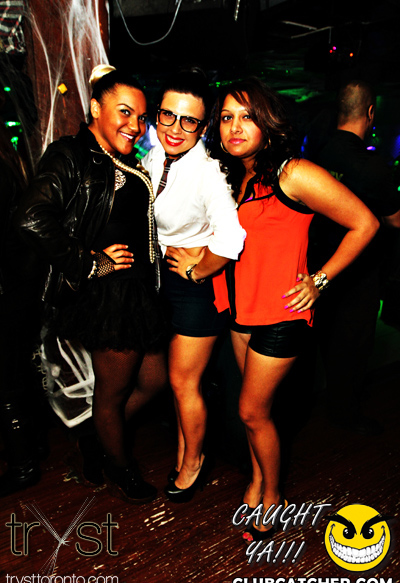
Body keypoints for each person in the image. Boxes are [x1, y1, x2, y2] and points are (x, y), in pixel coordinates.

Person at [204, 76, 379, 541]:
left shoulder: (293, 173)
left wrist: (320, 280)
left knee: (251, 412)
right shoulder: (235, 177)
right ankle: (258, 480)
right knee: (254, 412)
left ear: (267, 122)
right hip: (241, 312)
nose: (235, 127)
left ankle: (272, 495)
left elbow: (365, 223)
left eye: (247, 117)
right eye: (226, 117)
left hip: (282, 315)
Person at [17, 65, 167, 504]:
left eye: (141, 116)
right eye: (124, 112)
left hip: (139, 291)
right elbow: (31, 217)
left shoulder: (123, 158)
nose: (135, 125)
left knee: (154, 382)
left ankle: (95, 435)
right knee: (112, 393)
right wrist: (88, 262)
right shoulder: (72, 153)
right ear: (96, 109)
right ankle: (119, 466)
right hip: (110, 295)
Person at [141, 68, 246, 502]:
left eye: (189, 121)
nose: (175, 128)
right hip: (162, 281)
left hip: (196, 291)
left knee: (184, 382)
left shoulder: (208, 172)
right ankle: (186, 450)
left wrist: (197, 271)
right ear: (157, 115)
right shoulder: (154, 157)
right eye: (168, 115)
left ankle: (193, 463)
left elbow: (232, 239)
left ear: (203, 128)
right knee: (179, 380)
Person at [308, 80, 400, 435]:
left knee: (319, 337)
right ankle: (344, 416)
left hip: (316, 265)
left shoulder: (315, 155)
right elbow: (394, 220)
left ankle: (315, 406)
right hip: (357, 272)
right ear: (370, 113)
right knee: (352, 346)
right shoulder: (373, 166)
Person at [0, 91, 47, 497]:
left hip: (7, 287)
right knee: (15, 373)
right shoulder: (9, 155)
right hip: (18, 285)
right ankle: (28, 451)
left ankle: (23, 464)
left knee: (7, 379)